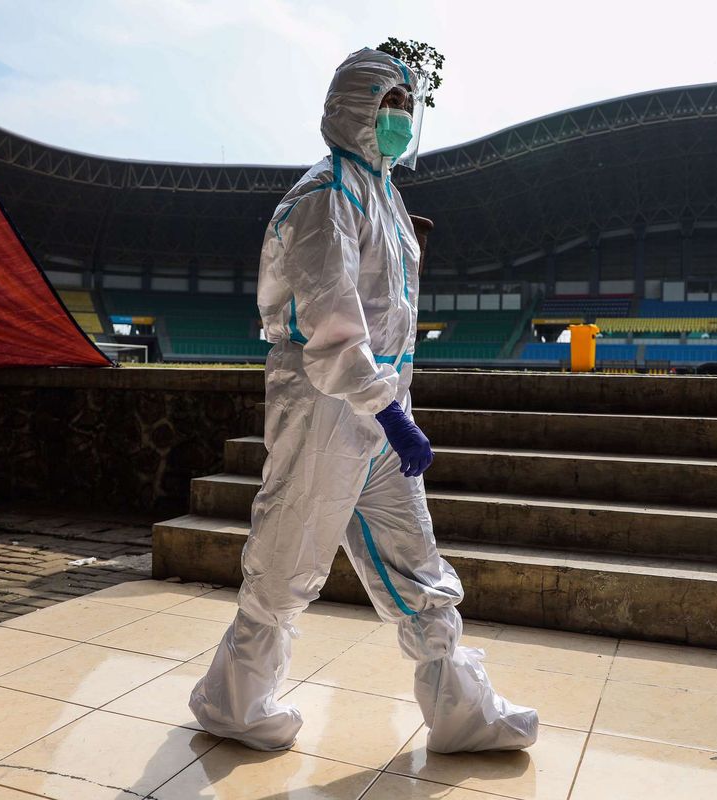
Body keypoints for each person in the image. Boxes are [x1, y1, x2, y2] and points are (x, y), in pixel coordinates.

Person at [188, 48, 538, 754]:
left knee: (418, 563)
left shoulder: (385, 196)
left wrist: (390, 411)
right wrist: (388, 410)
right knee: (288, 559)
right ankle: (234, 700)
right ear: (356, 109)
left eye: (409, 108)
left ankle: (462, 712)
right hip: (324, 408)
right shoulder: (324, 197)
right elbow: (333, 326)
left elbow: (388, 313)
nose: (402, 121)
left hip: (380, 412)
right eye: (391, 107)